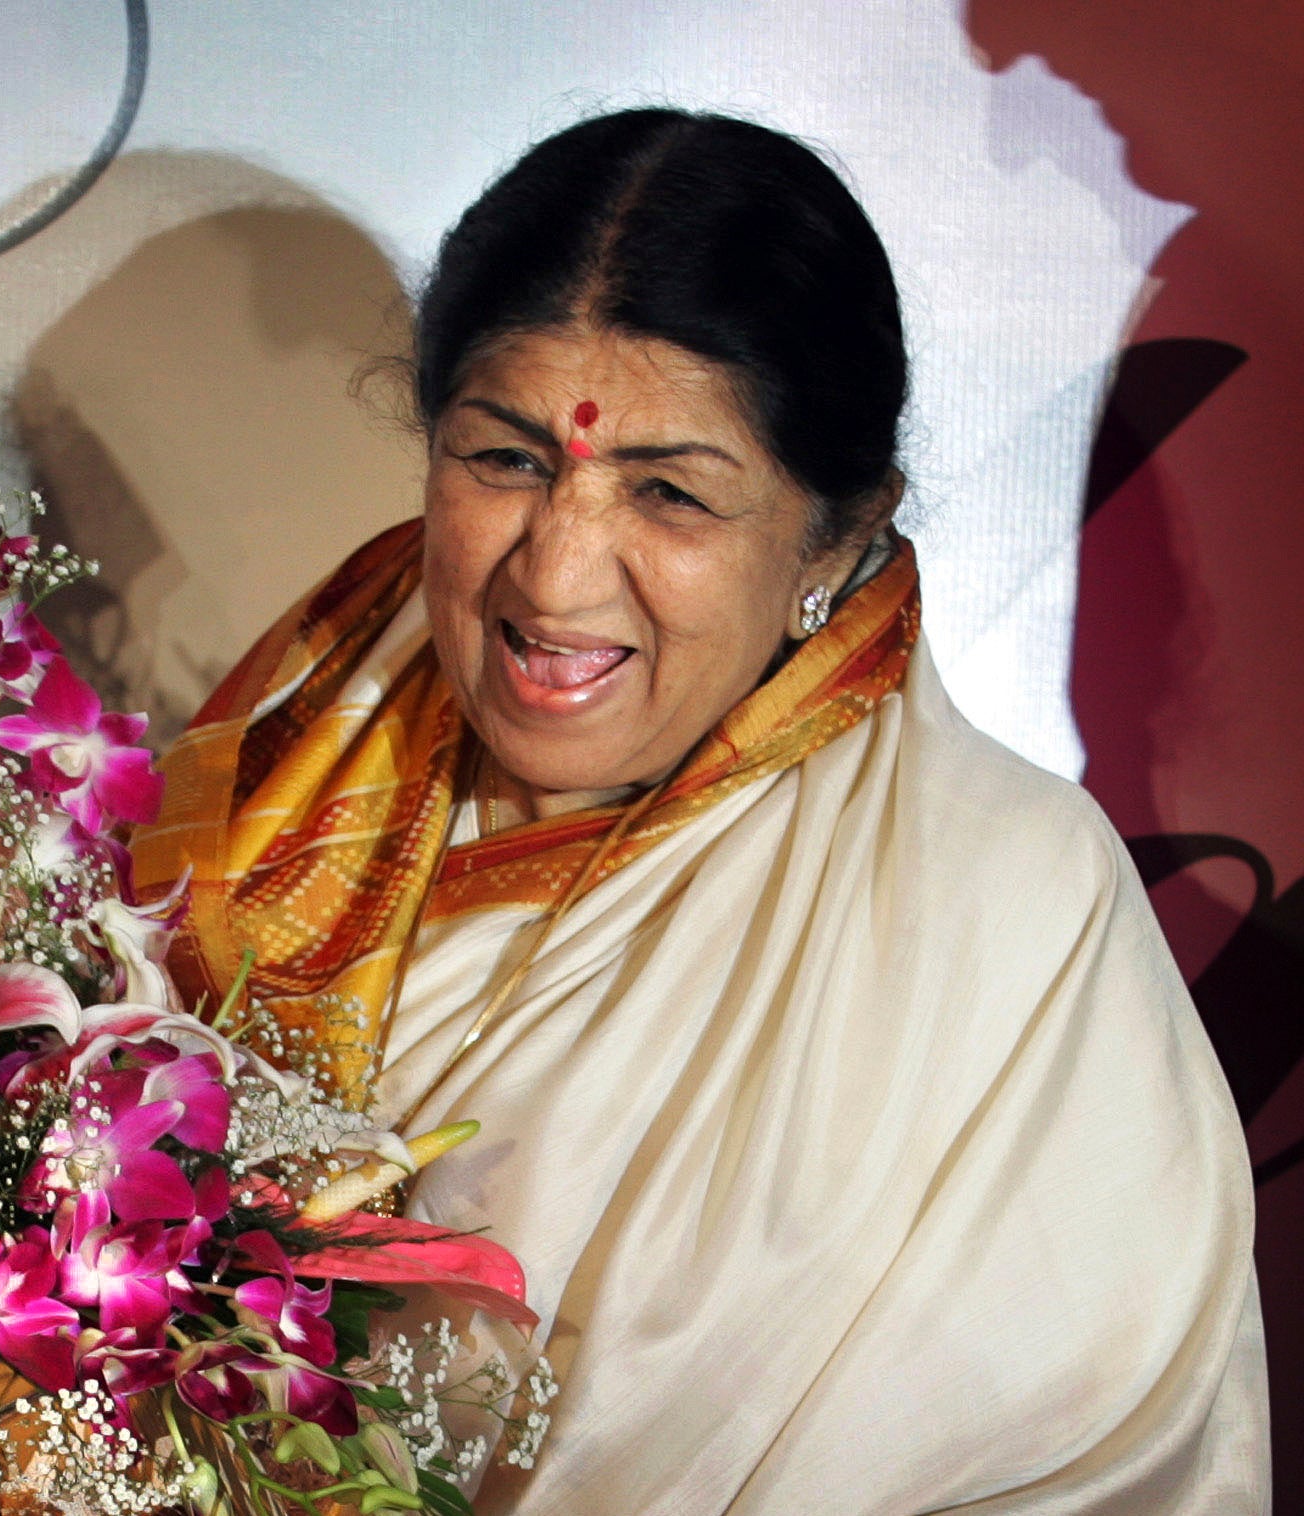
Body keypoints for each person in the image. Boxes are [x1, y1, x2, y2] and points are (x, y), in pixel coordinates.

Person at [130, 109, 1268, 1512]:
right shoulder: (276, 771)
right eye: (506, 461)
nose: (556, 577)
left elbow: (1094, 1465)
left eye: (668, 493)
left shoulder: (1008, 911)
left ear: (835, 536)